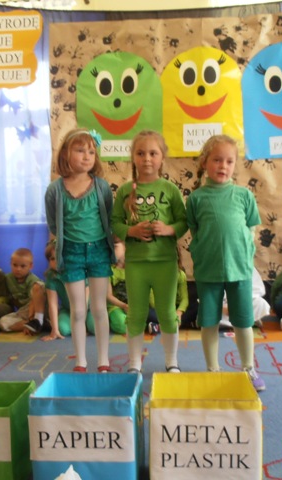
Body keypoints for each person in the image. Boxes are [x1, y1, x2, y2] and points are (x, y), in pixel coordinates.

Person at [186, 134, 265, 391]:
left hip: (239, 269)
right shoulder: (196, 198)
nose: (223, 166)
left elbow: (251, 228)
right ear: (205, 162)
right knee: (209, 320)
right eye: (217, 160)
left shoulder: (244, 195)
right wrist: (201, 253)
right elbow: (195, 231)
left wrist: (245, 251)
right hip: (208, 270)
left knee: (243, 320)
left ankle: (248, 367)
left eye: (229, 161)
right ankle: (213, 370)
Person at [112, 130, 188, 373]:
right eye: (141, 153)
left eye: (153, 153)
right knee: (136, 314)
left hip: (165, 263)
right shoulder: (125, 191)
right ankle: (134, 364)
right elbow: (115, 223)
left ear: (162, 157)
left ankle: (171, 362)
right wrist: (130, 231)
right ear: (133, 157)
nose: (147, 158)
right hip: (136, 264)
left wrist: (168, 229)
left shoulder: (170, 189)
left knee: (167, 313)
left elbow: (183, 222)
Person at [45, 128, 115, 372]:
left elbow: (109, 218)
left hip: (98, 251)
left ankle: (104, 360)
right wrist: (62, 248)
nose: (86, 156)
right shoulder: (55, 189)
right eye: (80, 150)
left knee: (99, 308)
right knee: (77, 310)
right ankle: (81, 361)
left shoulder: (101, 187)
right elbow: (53, 224)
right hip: (71, 253)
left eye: (91, 152)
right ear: (66, 153)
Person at [0, 247, 46, 335]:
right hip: (22, 313)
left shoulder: (33, 280)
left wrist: (31, 318)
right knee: (3, 322)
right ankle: (33, 325)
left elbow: (33, 302)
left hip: (35, 309)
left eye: (23, 266)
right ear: (10, 264)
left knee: (40, 285)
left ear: (30, 266)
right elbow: (9, 299)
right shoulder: (7, 278)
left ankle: (36, 322)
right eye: (15, 265)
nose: (18, 269)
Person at [107, 240, 129, 335]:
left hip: (131, 306)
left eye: (115, 247)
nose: (112, 250)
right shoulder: (109, 270)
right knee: (122, 325)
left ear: (124, 247)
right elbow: (108, 296)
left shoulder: (132, 268)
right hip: (115, 307)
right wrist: (123, 306)